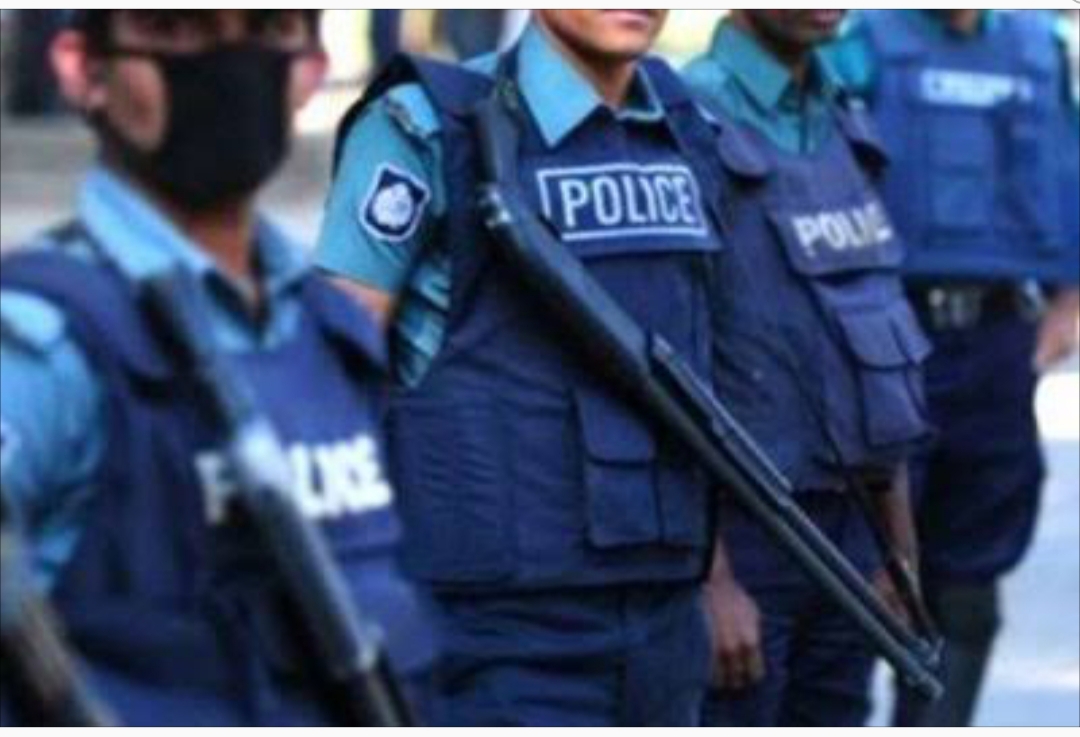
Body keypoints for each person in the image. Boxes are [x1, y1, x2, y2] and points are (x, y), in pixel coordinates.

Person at [0, 10, 435, 726]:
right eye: (179, 31)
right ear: (83, 68)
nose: (229, 67)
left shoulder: (330, 330)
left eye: (265, 30)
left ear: (311, 67)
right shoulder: (44, 344)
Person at [318, 9, 728, 726]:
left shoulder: (687, 131)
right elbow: (325, 384)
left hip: (663, 618)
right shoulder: (426, 126)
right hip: (495, 636)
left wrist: (721, 577)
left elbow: (704, 384)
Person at [826, 9, 1080, 727]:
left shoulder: (1038, 47)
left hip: (997, 343)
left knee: (968, 591)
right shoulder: (862, 41)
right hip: (884, 337)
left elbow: (1068, 166)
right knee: (862, 581)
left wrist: (1069, 301)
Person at [682, 10, 931, 727]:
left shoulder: (842, 113)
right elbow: (664, 364)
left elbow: (872, 332)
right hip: (746, 536)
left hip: (853, 536)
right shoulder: (686, 118)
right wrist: (710, 578)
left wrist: (899, 550)